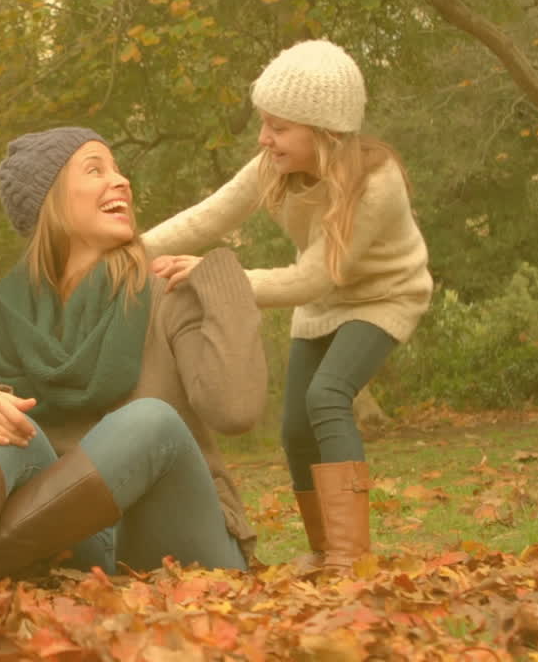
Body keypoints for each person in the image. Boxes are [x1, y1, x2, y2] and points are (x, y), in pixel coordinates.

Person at [0, 127, 267, 615]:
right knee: (1, 422)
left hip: (191, 553)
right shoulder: (3, 321)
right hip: (89, 557)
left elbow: (236, 410)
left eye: (118, 169)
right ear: (50, 202)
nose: (121, 182)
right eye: (96, 169)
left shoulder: (166, 292)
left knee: (151, 420)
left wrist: (223, 280)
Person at [143, 39, 432, 568]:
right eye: (264, 123)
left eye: (278, 126)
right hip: (323, 303)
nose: (264, 137)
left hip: (386, 295)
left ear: (323, 130)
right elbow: (208, 217)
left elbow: (310, 278)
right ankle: (324, 551)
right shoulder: (272, 167)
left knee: (327, 396)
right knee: (295, 427)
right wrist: (127, 251)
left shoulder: (375, 183)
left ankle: (352, 556)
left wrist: (218, 278)